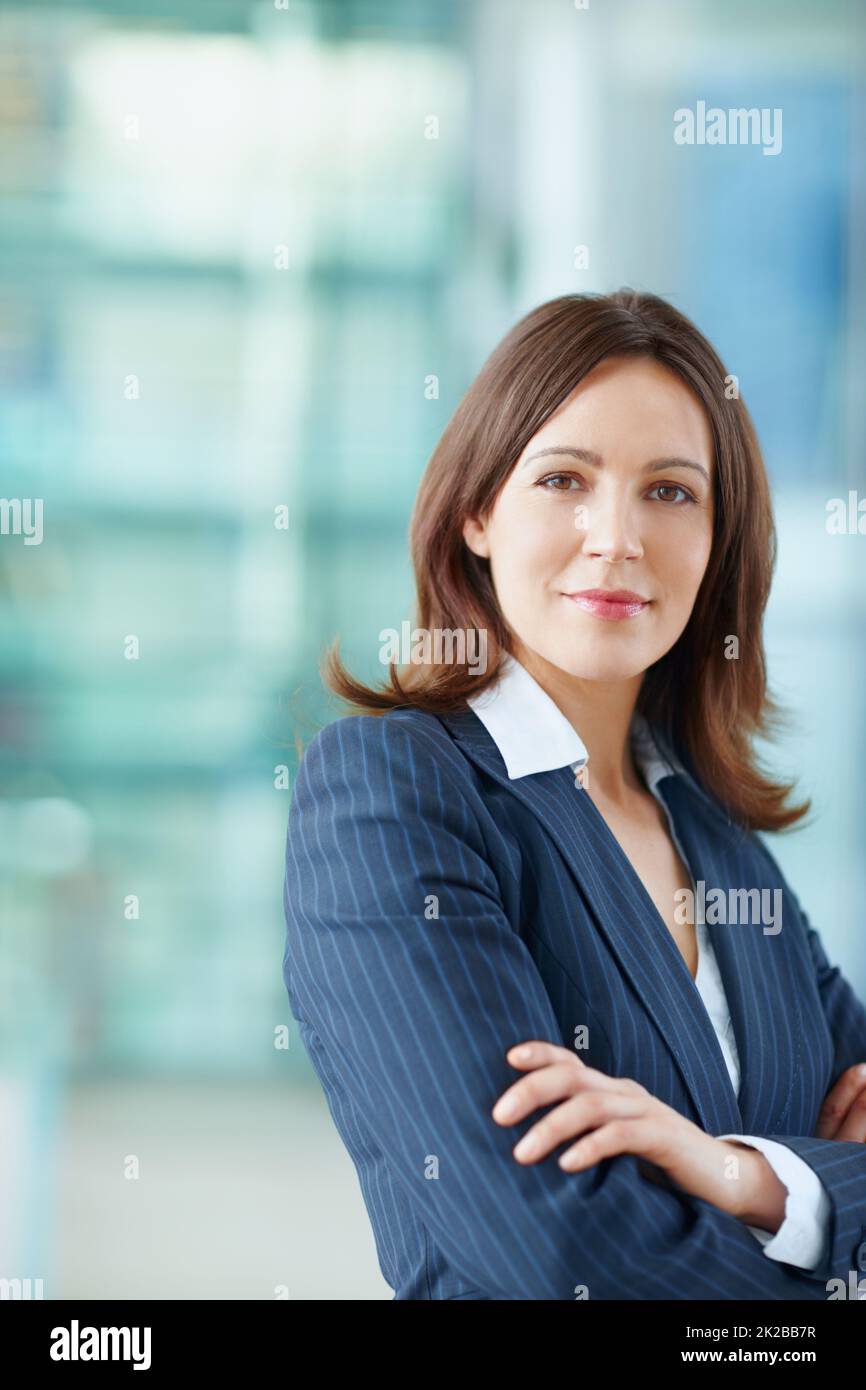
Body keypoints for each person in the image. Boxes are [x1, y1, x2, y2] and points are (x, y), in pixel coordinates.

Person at [282, 288, 866, 1300]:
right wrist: (815, 1224)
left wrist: (734, 1172)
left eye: (669, 492)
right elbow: (552, 1254)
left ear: (716, 539)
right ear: (476, 512)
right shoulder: (392, 795)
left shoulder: (719, 841)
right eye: (562, 478)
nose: (615, 537)